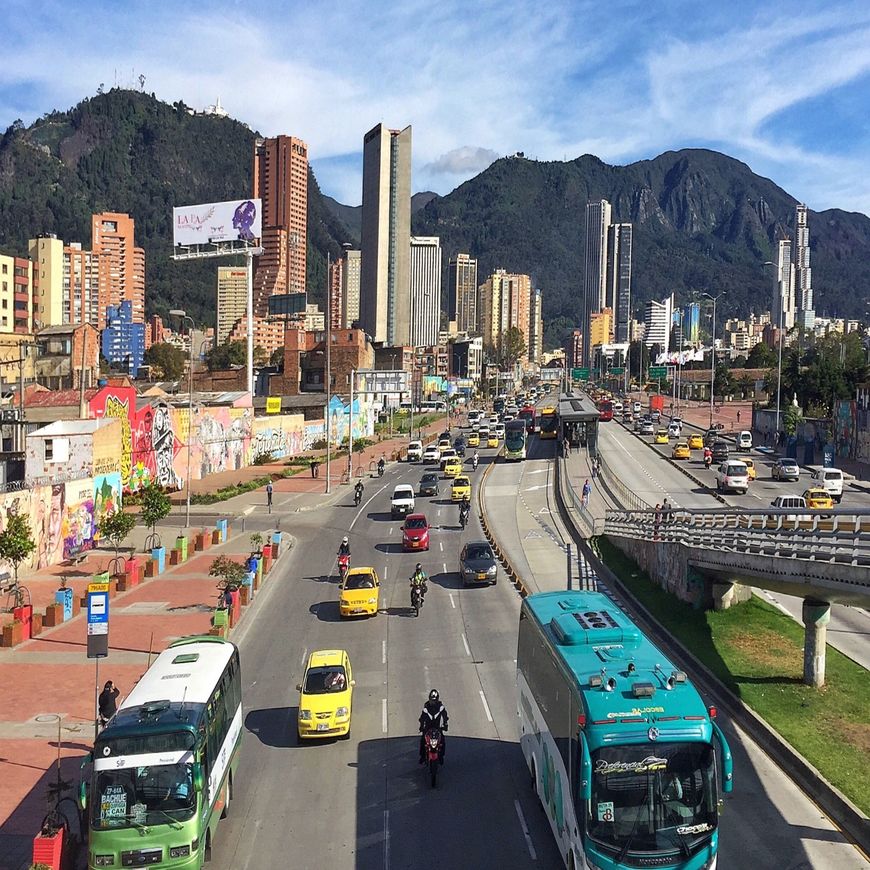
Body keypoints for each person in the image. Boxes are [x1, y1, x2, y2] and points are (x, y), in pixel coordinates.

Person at [419, 689, 449, 764]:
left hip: (437, 727)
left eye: (434, 700)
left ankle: (441, 756)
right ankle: (422, 756)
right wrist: (421, 726)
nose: (433, 702)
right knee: (423, 740)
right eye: (432, 700)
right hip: (428, 727)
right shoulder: (426, 707)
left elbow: (445, 716)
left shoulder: (440, 707)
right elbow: (422, 718)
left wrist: (445, 724)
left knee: (442, 740)